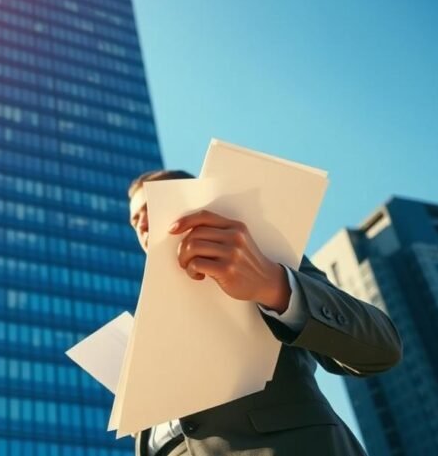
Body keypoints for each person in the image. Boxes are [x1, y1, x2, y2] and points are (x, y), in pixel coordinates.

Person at [127, 170, 402, 456]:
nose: (143, 224)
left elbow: (381, 347)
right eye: (134, 220)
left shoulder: (259, 252)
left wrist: (273, 284)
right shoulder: (148, 320)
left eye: (151, 206)